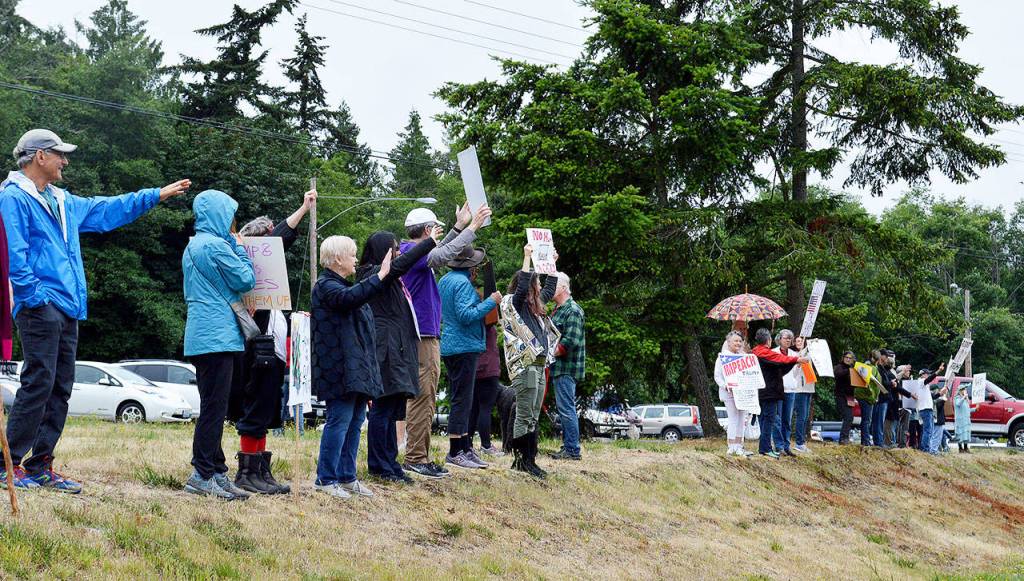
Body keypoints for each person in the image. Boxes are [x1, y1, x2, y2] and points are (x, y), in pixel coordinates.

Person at [0, 129, 190, 492]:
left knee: (60, 387)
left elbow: (106, 210)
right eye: (60, 155)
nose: (65, 162)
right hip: (42, 305)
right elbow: (14, 255)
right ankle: (5, 465)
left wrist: (155, 195)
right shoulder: (13, 198)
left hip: (68, 306)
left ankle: (41, 465)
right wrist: (37, 297)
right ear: (40, 156)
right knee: (38, 382)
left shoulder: (61, 200)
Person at [231, 190, 317, 495]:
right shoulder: (250, 273)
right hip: (258, 353)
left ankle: (261, 471)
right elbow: (281, 238)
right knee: (255, 410)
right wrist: (302, 210)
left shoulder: (273, 290)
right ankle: (247, 472)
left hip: (276, 351)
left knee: (267, 411)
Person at [400, 203, 490, 479]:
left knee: (426, 395)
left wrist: (459, 226)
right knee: (423, 396)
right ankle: (416, 457)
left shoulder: (412, 253)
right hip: (422, 336)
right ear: (428, 230)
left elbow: (440, 252)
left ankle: (420, 455)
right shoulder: (411, 254)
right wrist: (472, 226)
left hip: (427, 335)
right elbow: (445, 254)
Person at [182, 190, 256, 500]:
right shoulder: (215, 246)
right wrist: (239, 248)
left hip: (202, 334)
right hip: (217, 335)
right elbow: (246, 280)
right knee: (214, 408)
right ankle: (202, 474)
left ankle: (216, 469)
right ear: (220, 216)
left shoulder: (192, 246)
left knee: (214, 404)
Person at [311, 235, 392, 499]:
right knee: (340, 421)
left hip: (355, 368)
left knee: (356, 421)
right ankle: (326, 478)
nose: (356, 259)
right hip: (339, 368)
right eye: (352, 254)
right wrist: (380, 275)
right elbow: (350, 298)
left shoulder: (342, 285)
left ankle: (347, 477)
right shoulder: (326, 286)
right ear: (337, 258)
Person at [357, 230, 438, 483]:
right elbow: (400, 265)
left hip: (397, 348)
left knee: (394, 409)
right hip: (385, 350)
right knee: (382, 408)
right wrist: (429, 243)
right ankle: (378, 465)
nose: (398, 252)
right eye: (393, 248)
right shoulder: (371, 273)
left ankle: (390, 463)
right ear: (383, 251)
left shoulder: (388, 275)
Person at [438, 244, 501, 470]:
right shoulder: (463, 283)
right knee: (462, 400)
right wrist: (491, 301)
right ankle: (456, 450)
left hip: (451, 344)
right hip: (464, 345)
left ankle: (465, 447)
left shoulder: (445, 281)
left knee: (463, 398)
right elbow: (467, 315)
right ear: (470, 266)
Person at [500, 245, 559, 476]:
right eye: (537, 283)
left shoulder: (535, 306)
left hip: (538, 365)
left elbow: (551, 287)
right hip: (525, 367)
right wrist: (527, 258)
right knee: (524, 414)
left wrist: (551, 264)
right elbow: (523, 284)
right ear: (527, 288)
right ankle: (521, 460)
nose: (540, 287)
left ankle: (530, 459)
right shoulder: (517, 306)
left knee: (534, 414)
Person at [751, 328, 805, 458]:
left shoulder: (755, 352)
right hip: (769, 391)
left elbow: (780, 368)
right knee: (769, 419)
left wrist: (793, 361)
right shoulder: (763, 352)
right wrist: (796, 360)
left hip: (765, 390)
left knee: (767, 419)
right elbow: (778, 359)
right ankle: (766, 448)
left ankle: (767, 447)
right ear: (769, 340)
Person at [549, 272, 586, 461]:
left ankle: (572, 449)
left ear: (563, 287)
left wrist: (548, 352)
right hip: (559, 368)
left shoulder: (573, 310)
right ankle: (568, 446)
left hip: (567, 367)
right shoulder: (559, 308)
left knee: (566, 408)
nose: (549, 288)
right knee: (564, 407)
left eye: (553, 284)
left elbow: (570, 341)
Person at [469, 289, 503, 457]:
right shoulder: (488, 317)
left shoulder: (471, 318)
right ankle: (486, 445)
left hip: (474, 366)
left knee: (473, 408)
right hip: (488, 368)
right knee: (485, 408)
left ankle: (467, 443)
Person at [714, 331, 752, 457]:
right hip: (729, 392)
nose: (738, 343)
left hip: (743, 393)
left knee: (742, 419)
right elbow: (717, 376)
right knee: (733, 419)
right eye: (735, 341)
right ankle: (731, 446)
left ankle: (739, 446)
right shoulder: (722, 357)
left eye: (740, 341)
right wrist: (725, 386)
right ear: (728, 342)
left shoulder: (743, 357)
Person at [788, 336, 815, 453]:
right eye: (797, 341)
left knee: (805, 417)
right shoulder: (793, 355)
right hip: (799, 389)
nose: (799, 343)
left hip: (809, 388)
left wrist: (814, 344)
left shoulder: (807, 354)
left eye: (801, 341)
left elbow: (812, 356)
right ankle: (799, 442)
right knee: (801, 416)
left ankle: (801, 441)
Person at [774, 330, 797, 455]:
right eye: (786, 338)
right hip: (778, 389)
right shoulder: (774, 353)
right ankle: (779, 445)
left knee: (787, 420)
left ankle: (787, 445)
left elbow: (795, 374)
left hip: (790, 389)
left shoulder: (793, 354)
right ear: (779, 339)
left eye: (790, 338)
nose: (788, 340)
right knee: (777, 419)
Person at [853, 351, 881, 447]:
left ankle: (865, 440)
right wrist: (873, 396)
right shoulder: (872, 368)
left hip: (861, 396)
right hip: (868, 397)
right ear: (877, 360)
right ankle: (866, 441)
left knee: (865, 420)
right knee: (866, 420)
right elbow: (872, 385)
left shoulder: (862, 366)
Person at [833, 351, 856, 444]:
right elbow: (838, 374)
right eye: (846, 357)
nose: (848, 359)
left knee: (850, 417)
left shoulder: (853, 369)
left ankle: (845, 437)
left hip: (850, 396)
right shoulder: (839, 367)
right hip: (841, 396)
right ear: (843, 358)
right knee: (847, 416)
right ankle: (843, 438)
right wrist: (849, 371)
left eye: (850, 358)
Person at [954, 385, 973, 453]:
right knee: (960, 433)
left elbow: (967, 409)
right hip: (960, 419)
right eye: (963, 390)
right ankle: (960, 448)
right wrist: (964, 397)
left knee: (966, 433)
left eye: (965, 390)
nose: (965, 391)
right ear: (960, 391)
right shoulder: (957, 398)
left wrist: (975, 409)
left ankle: (965, 447)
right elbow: (958, 404)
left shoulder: (965, 400)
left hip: (966, 419)